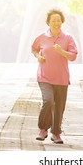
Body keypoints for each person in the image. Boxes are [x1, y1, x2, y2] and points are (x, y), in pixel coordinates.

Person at [31, 9, 78, 144]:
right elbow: (34, 49)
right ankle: (43, 129)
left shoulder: (67, 38)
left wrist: (62, 51)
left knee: (59, 107)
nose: (56, 23)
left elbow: (73, 56)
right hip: (44, 76)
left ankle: (56, 133)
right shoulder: (42, 37)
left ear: (62, 21)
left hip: (61, 78)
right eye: (53, 20)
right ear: (48, 23)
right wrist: (38, 56)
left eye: (58, 20)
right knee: (48, 101)